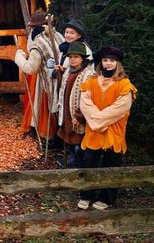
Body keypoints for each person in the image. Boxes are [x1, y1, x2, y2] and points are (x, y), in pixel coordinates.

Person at [77, 46, 137, 211]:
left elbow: (119, 109)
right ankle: (87, 195)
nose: (108, 63)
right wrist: (96, 123)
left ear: (117, 63)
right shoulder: (91, 82)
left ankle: (107, 198)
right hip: (94, 131)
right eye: (105, 60)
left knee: (111, 165)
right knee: (89, 162)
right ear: (101, 63)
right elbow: (86, 104)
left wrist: (97, 121)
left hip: (114, 131)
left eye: (111, 60)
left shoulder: (124, 84)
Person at [15, 11, 64, 140]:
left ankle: (48, 133)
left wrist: (19, 57)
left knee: (44, 104)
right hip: (59, 77)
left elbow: (30, 68)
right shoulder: (58, 35)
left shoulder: (39, 42)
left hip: (46, 77)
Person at [54, 41, 95, 168]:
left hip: (78, 115)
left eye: (76, 57)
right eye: (70, 57)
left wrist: (80, 116)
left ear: (82, 59)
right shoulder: (69, 72)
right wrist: (61, 71)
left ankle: (79, 164)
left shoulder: (88, 74)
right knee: (68, 135)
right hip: (67, 111)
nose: (72, 60)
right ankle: (71, 160)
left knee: (79, 139)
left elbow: (88, 98)